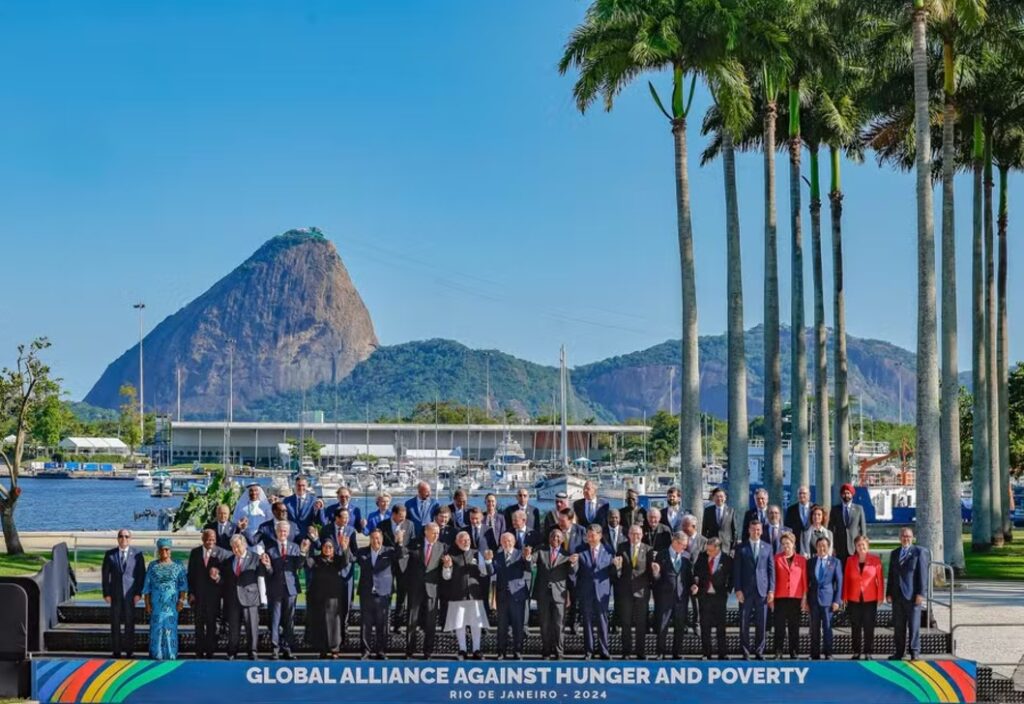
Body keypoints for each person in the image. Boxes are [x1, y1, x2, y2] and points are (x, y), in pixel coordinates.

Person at [343, 528, 405, 659]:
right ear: (369, 539)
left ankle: (381, 651)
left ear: (382, 539)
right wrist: (345, 547)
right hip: (366, 594)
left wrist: (399, 542)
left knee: (382, 625)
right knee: (366, 624)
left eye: (378, 538)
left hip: (383, 594)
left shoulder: (389, 551)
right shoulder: (362, 552)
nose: (375, 541)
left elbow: (400, 555)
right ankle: (365, 651)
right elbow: (351, 559)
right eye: (373, 538)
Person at [215, 533, 272, 660]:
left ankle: (252, 651)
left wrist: (267, 565)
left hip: (250, 599)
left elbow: (267, 574)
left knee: (252, 628)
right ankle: (232, 652)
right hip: (233, 599)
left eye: (238, 546)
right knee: (233, 628)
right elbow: (225, 581)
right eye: (233, 547)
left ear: (245, 545)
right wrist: (217, 578)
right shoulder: (229, 561)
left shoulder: (255, 558)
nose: (236, 549)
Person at [442, 531, 492, 660]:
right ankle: (462, 650)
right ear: (457, 542)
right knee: (460, 623)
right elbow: (446, 577)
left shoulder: (477, 553)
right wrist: (447, 567)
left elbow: (484, 572)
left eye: (468, 539)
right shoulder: (451, 555)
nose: (466, 542)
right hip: (457, 594)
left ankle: (476, 649)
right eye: (463, 540)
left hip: (475, 594)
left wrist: (487, 561)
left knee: (476, 623)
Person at [529, 528, 576, 660]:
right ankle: (546, 651)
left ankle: (559, 652)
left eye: (558, 537)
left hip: (559, 594)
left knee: (559, 624)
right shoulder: (541, 551)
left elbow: (572, 575)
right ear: (549, 538)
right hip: (543, 593)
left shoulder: (567, 554)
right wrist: (527, 556)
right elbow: (530, 561)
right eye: (553, 536)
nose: (555, 539)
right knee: (544, 623)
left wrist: (572, 564)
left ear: (562, 539)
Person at [403, 522, 447, 659]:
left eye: (438, 533)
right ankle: (410, 650)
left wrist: (447, 565)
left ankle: (428, 651)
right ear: (426, 532)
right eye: (434, 532)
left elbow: (445, 570)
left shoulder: (442, 547)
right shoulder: (414, 544)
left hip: (432, 589)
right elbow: (405, 562)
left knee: (430, 622)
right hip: (415, 588)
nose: (436, 535)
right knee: (412, 620)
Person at [733, 520, 775, 659]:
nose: (756, 532)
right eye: (753, 529)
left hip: (762, 590)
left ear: (761, 531)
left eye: (758, 530)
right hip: (745, 591)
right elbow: (737, 570)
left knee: (761, 622)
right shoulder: (741, 548)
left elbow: (771, 570)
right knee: (744, 622)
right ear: (749, 530)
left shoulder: (768, 547)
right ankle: (745, 651)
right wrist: (738, 589)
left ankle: (759, 651)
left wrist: (771, 590)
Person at [101, 528, 146, 658]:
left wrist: (138, 593)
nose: (124, 539)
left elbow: (140, 575)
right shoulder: (110, 555)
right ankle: (116, 651)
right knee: (115, 623)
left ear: (130, 539)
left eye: (126, 536)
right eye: (121, 536)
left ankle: (129, 651)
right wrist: (106, 593)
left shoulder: (137, 555)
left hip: (131, 595)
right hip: (115, 595)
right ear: (117, 538)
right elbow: (105, 576)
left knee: (129, 623)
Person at [187, 529, 231, 659]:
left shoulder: (223, 554)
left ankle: (210, 651)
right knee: (199, 624)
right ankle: (199, 651)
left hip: (214, 597)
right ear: (202, 539)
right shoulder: (195, 553)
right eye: (207, 539)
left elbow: (227, 578)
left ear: (215, 539)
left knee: (213, 625)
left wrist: (217, 578)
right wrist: (191, 592)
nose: (209, 542)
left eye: (212, 539)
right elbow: (190, 575)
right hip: (198, 596)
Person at [140, 538, 187, 660]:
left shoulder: (178, 565)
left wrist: (181, 601)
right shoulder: (153, 566)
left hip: (172, 604)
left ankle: (171, 655)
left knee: (170, 629)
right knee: (157, 628)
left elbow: (183, 585)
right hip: (156, 604)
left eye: (167, 549)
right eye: (161, 549)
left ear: (170, 550)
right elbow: (147, 586)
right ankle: (157, 654)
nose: (164, 552)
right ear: (158, 551)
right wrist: (147, 603)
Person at [305, 536, 352, 658]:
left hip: (334, 599)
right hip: (319, 599)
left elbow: (346, 561)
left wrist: (345, 548)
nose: (327, 549)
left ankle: (335, 649)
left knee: (334, 625)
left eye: (330, 547)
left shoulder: (337, 560)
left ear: (333, 549)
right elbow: (306, 563)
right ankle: (323, 649)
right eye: (325, 547)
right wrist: (304, 551)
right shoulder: (316, 560)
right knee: (321, 624)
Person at [266, 522, 306, 659]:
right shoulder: (269, 549)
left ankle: (287, 648)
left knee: (289, 620)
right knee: (275, 620)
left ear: (288, 533)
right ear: (276, 532)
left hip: (291, 588)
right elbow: (269, 572)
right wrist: (267, 566)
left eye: (285, 531)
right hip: (275, 589)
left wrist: (303, 553)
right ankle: (275, 648)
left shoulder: (295, 547)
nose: (282, 533)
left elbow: (299, 566)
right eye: (280, 531)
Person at [886, 527, 927, 661]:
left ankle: (914, 652)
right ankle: (899, 652)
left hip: (912, 596)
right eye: (903, 536)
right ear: (900, 538)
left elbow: (922, 574)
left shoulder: (918, 552)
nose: (906, 538)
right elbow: (891, 575)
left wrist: (921, 593)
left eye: (908, 536)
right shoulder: (895, 553)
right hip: (897, 596)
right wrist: (889, 593)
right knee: (898, 626)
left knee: (914, 626)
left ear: (912, 537)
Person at [651, 531, 694, 660]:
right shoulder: (661, 555)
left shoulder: (686, 556)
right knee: (663, 625)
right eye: (683, 545)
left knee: (680, 625)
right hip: (665, 596)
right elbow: (656, 578)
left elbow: (689, 576)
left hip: (681, 597)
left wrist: (693, 585)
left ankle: (677, 652)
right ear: (675, 542)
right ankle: (661, 652)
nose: (685, 547)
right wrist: (656, 573)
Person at [614, 524, 654, 659]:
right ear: (628, 535)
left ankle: (640, 652)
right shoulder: (621, 547)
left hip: (642, 592)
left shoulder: (648, 550)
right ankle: (626, 652)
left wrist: (656, 573)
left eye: (638, 534)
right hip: (626, 592)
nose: (635, 536)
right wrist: (617, 568)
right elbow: (618, 570)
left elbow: (651, 573)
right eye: (632, 533)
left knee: (641, 623)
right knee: (625, 623)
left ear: (642, 535)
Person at [575, 525, 614, 660]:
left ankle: (604, 650)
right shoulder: (580, 550)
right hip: (586, 591)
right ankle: (589, 651)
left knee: (603, 622)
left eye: (593, 535)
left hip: (602, 591)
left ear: (600, 535)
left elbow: (612, 572)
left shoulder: (608, 550)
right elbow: (576, 572)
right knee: (587, 622)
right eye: (588, 535)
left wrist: (618, 567)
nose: (590, 538)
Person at [843, 534, 884, 660]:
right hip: (854, 598)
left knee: (868, 626)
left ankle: (868, 652)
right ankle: (856, 651)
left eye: (863, 545)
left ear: (868, 546)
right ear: (855, 546)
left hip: (870, 599)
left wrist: (880, 597)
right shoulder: (850, 560)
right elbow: (846, 580)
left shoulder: (875, 560)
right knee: (855, 626)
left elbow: (880, 580)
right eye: (859, 545)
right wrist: (844, 596)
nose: (861, 547)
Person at [491, 532, 531, 659]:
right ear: (501, 543)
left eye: (509, 541)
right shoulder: (497, 556)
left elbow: (528, 568)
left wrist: (528, 558)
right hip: (502, 596)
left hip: (517, 596)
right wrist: (487, 561)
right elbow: (491, 572)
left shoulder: (520, 554)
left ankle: (517, 651)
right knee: (502, 626)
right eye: (504, 541)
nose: (507, 543)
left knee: (518, 625)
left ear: (513, 542)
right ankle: (501, 652)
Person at [694, 537, 732, 660]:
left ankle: (722, 653)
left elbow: (732, 576)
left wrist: (728, 589)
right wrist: (696, 585)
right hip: (704, 596)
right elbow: (696, 572)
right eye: (707, 549)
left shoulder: (726, 559)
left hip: (719, 596)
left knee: (721, 626)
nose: (708, 552)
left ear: (717, 549)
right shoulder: (702, 557)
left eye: (710, 550)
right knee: (705, 626)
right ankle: (706, 653)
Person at [772, 531, 807, 659]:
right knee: (779, 627)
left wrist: (804, 598)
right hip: (780, 597)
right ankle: (778, 652)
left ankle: (794, 652)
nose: (786, 547)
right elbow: (773, 579)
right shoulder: (776, 558)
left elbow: (804, 580)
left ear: (793, 544)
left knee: (794, 627)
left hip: (795, 598)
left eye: (788, 544)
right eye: (783, 544)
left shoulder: (802, 560)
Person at [381, 504, 415, 632]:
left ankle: (398, 625)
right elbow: (380, 545)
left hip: (403, 565)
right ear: (393, 515)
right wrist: (394, 546)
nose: (402, 519)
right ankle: (385, 624)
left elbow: (412, 544)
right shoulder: (383, 525)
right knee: (387, 595)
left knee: (401, 596)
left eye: (404, 517)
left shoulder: (409, 524)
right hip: (387, 564)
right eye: (400, 517)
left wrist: (400, 545)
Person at [807, 536, 842, 659]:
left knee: (827, 628)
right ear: (816, 547)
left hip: (828, 601)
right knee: (814, 629)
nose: (822, 548)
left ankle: (828, 653)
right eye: (819, 546)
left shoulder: (835, 562)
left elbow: (839, 582)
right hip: (813, 600)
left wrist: (837, 601)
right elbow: (807, 582)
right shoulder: (810, 562)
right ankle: (814, 654)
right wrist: (806, 601)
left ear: (828, 547)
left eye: (824, 546)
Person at [828, 483, 868, 563]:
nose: (846, 495)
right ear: (841, 495)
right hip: (839, 547)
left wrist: (863, 545)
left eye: (848, 493)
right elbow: (831, 529)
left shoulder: (858, 509)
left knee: (854, 571)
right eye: (844, 493)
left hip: (854, 547)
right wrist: (832, 546)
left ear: (852, 494)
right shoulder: (835, 509)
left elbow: (863, 529)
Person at [702, 488, 737, 555]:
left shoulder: (731, 511)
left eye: (721, 496)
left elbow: (734, 531)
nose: (719, 499)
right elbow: (704, 529)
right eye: (717, 496)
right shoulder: (708, 511)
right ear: (713, 498)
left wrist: (733, 548)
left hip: (726, 546)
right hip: (712, 545)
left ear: (725, 498)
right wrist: (706, 544)